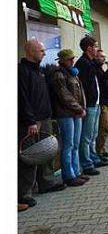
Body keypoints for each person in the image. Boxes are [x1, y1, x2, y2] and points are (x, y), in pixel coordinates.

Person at [18, 39, 53, 211]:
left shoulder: (39, 71)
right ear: (31, 51)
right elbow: (22, 99)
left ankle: (46, 183)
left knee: (46, 152)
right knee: (29, 158)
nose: (44, 53)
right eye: (41, 50)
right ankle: (25, 194)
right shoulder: (21, 71)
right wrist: (31, 121)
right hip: (31, 122)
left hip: (44, 118)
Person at [49, 49, 88, 187]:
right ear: (63, 60)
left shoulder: (73, 73)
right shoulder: (59, 75)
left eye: (73, 58)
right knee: (68, 145)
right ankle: (68, 175)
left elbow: (80, 93)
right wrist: (79, 108)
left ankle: (76, 171)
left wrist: (81, 108)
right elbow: (65, 96)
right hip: (65, 114)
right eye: (70, 59)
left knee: (75, 144)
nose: (72, 61)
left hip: (76, 113)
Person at [75, 36, 108, 175]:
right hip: (88, 104)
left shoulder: (90, 62)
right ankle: (86, 163)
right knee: (87, 136)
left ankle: (93, 157)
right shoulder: (83, 63)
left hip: (95, 103)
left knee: (93, 134)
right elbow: (85, 86)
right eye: (95, 46)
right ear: (89, 48)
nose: (97, 49)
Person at [94, 49, 108, 158]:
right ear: (96, 57)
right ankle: (99, 151)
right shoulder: (96, 69)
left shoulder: (100, 68)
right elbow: (101, 80)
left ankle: (102, 149)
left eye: (104, 57)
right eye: (101, 56)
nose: (104, 59)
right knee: (104, 127)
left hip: (107, 101)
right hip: (101, 102)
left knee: (106, 127)